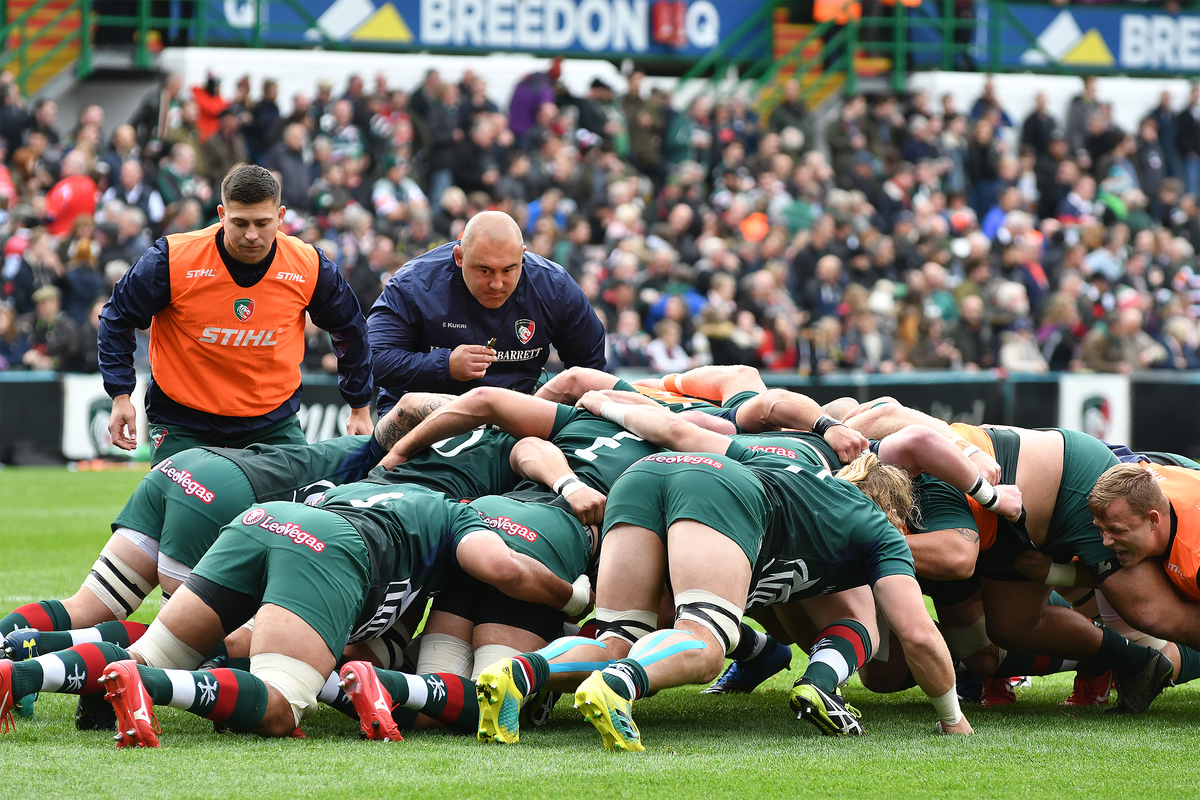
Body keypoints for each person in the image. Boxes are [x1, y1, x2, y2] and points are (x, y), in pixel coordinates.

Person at [0, 483, 590, 745]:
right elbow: (504, 569)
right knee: (280, 705)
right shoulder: (456, 515)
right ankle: (142, 685)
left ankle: (22, 673)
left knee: (155, 648)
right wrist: (571, 599)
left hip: (263, 520)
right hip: (334, 547)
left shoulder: (377, 487)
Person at [98, 164, 374, 465]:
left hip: (273, 423)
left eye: (263, 222)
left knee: (289, 513)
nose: (252, 235)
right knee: (186, 510)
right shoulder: (173, 259)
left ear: (280, 217)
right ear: (221, 214)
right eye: (240, 223)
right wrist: (120, 394)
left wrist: (359, 406)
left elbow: (350, 327)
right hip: (184, 422)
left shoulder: (307, 264)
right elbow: (117, 316)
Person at [366, 210, 605, 416]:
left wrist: (547, 406)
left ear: (522, 255)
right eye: (484, 270)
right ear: (459, 257)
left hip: (514, 414)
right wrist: (446, 365)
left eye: (509, 269)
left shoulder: (555, 286)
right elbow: (370, 358)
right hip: (423, 411)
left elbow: (590, 367)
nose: (497, 284)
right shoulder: (414, 284)